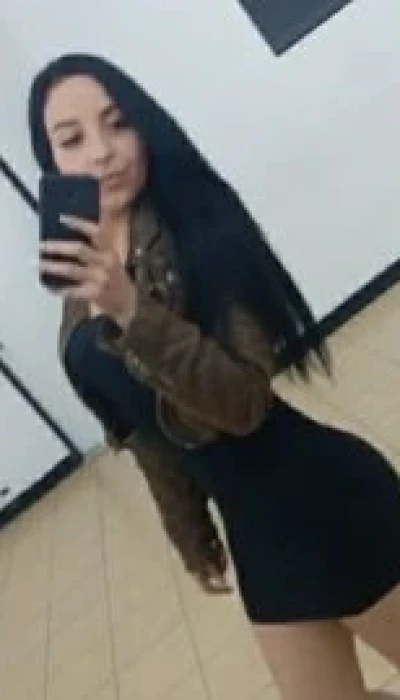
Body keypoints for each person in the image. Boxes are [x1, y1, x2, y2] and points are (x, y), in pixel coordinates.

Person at [28, 53, 400, 699]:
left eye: (117, 123)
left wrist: (131, 309)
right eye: (72, 139)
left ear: (145, 125)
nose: (102, 151)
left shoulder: (202, 232)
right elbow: (141, 429)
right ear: (51, 162)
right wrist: (189, 530)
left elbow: (244, 403)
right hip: (257, 537)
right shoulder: (79, 283)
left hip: (328, 503)